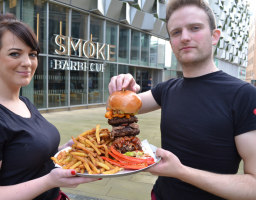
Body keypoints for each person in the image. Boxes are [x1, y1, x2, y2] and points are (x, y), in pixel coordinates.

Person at [107, 0, 256, 199]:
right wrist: (124, 89)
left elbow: (253, 185)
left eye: (195, 28)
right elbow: (115, 107)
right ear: (171, 43)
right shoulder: (167, 89)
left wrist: (181, 172)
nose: (185, 37)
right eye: (176, 32)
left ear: (214, 36)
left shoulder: (244, 94)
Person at [0, 14, 99, 200]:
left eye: (32, 54)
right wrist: (50, 181)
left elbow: (26, 159)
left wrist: (68, 150)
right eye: (15, 53)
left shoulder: (25, 103)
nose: (28, 63)